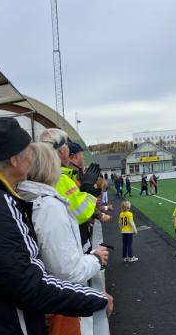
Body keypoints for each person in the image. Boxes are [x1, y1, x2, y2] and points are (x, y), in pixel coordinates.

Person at [0, 117, 111, 334]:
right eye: (29, 151)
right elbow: (29, 285)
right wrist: (93, 297)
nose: (32, 158)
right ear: (13, 159)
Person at [17, 143, 111, 333]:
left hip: (44, 299)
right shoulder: (47, 205)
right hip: (58, 304)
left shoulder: (22, 196)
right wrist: (95, 259)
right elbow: (66, 271)